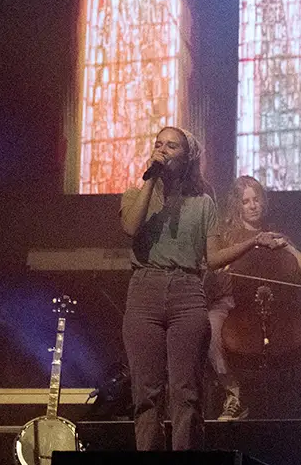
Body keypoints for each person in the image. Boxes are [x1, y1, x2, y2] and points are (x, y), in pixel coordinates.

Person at [120, 126, 233, 450]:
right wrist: (150, 179)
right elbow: (130, 226)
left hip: (187, 292)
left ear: (187, 157)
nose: (164, 150)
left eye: (172, 146)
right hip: (144, 290)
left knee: (186, 393)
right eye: (158, 144)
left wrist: (253, 243)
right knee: (147, 395)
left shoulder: (203, 202)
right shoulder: (136, 192)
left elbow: (212, 258)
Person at [205, 175, 301, 421]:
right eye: (246, 201)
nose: (252, 205)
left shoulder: (276, 235)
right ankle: (233, 394)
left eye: (256, 199)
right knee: (212, 325)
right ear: (237, 205)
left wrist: (289, 248)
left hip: (279, 307)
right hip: (234, 305)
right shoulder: (226, 238)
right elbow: (213, 278)